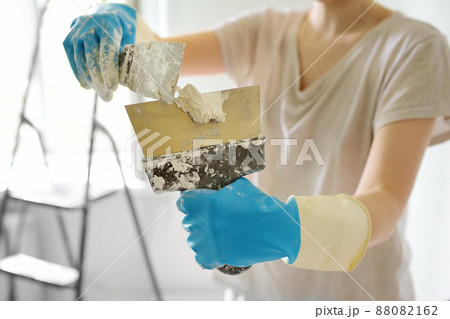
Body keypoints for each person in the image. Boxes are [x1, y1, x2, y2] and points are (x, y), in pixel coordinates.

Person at [63, 1, 450, 300]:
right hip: (262, 292)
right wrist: (115, 23)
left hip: (359, 296)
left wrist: (291, 227)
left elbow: (385, 199)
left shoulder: (415, 47)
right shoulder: (263, 30)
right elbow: (151, 58)